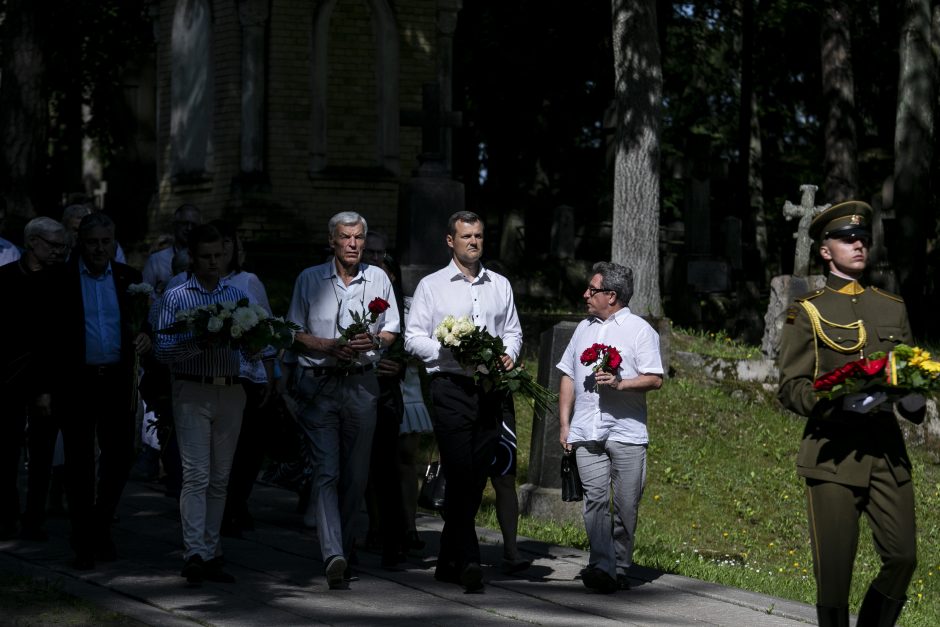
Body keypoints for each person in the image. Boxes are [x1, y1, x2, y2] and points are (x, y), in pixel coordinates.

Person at [777, 201, 924, 627]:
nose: (859, 244)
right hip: (832, 454)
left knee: (903, 557)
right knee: (835, 576)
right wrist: (835, 403)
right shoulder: (807, 310)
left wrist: (915, 396)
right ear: (826, 250)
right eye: (847, 239)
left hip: (885, 453)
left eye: (863, 238)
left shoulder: (891, 307)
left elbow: (908, 370)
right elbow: (791, 387)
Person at [404, 210, 523, 592]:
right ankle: (470, 560)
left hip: (491, 390)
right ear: (450, 241)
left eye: (479, 236)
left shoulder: (499, 284)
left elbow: (513, 332)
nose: (473, 242)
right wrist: (448, 350)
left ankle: (447, 561)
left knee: (474, 477)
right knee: (458, 472)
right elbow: (413, 338)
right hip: (451, 388)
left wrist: (509, 355)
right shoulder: (432, 286)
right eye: (466, 236)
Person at [283, 211, 400, 590]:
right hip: (320, 384)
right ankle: (333, 553)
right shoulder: (309, 278)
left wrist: (374, 341)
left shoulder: (378, 278)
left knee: (355, 475)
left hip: (362, 385)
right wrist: (327, 346)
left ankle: (345, 547)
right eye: (345, 237)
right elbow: (292, 330)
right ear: (331, 241)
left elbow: (392, 329)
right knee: (327, 471)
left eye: (358, 238)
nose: (352, 244)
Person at [557, 262, 664, 593]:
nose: (585, 294)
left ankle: (619, 564)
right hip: (586, 431)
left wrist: (620, 384)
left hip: (626, 432)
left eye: (592, 289)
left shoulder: (640, 331)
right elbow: (568, 374)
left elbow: (655, 379)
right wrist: (564, 423)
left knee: (626, 505)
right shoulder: (583, 329)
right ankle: (602, 565)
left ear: (611, 296)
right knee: (595, 500)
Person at [155, 224, 249, 586]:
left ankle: (212, 551)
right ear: (192, 258)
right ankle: (194, 551)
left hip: (231, 389)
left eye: (218, 256)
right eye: (206, 257)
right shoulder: (177, 295)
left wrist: (256, 349)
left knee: (220, 477)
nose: (214, 263)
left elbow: (256, 340)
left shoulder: (237, 293)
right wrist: (200, 342)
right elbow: (163, 350)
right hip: (193, 388)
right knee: (196, 473)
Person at [59, 213, 152, 569]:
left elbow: (144, 323)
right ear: (80, 243)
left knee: (119, 456)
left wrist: (146, 336)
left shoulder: (130, 278)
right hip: (77, 381)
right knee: (80, 461)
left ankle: (99, 524)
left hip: (117, 380)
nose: (99, 249)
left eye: (105, 242)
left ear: (114, 243)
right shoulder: (64, 278)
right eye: (92, 242)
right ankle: (84, 538)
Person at [0, 218, 66, 540]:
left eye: (62, 245)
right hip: (10, 378)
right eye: (53, 245)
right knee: (6, 451)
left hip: (49, 379)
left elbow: (58, 340)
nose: (59, 251)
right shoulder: (5, 279)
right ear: (32, 242)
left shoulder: (63, 281)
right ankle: (7, 513)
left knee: (42, 455)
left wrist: (46, 389)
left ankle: (34, 516)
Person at [143, 204, 201, 294]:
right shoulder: (156, 260)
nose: (189, 228)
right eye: (184, 224)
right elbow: (144, 294)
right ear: (175, 225)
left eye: (194, 225)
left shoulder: (206, 259)